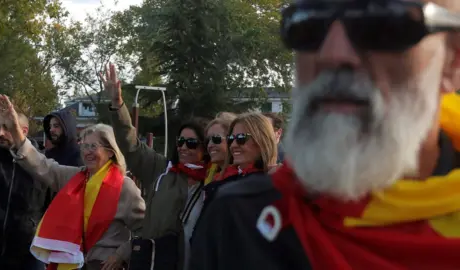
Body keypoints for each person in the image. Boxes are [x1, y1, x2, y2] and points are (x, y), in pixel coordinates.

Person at [190, 0, 460, 269]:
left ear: (453, 60)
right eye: (308, 21)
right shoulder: (239, 220)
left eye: (383, 21)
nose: (332, 54)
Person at [0, 95, 145, 270]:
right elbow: (44, 166)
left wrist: (121, 255)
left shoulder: (124, 187)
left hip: (104, 265)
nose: (87, 152)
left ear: (111, 152)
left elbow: (146, 229)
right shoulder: (78, 178)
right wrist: (15, 130)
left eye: (93, 146)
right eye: (84, 146)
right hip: (73, 262)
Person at [101, 63, 213, 270]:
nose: (183, 148)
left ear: (206, 148)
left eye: (191, 143)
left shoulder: (215, 180)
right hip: (158, 263)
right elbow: (131, 145)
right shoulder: (163, 169)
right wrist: (117, 104)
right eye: (180, 142)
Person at [0, 106, 48, 270]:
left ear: (23, 131)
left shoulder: (42, 165)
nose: (0, 133)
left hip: (29, 252)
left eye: (7, 128)